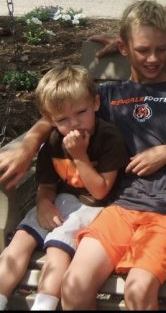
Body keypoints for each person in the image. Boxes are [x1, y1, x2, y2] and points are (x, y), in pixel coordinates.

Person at [1, 0, 166, 309]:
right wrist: (29, 144)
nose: (153, 58)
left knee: (137, 290)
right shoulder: (107, 95)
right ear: (124, 48)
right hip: (116, 206)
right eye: (143, 50)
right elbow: (58, 116)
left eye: (162, 50)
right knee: (73, 286)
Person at [0, 66, 127, 311]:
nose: (74, 124)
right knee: (19, 242)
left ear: (96, 103)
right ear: (50, 120)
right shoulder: (53, 141)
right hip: (58, 201)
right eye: (62, 119)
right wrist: (43, 203)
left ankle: (44, 305)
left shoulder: (109, 138)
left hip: (92, 208)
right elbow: (46, 184)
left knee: (57, 251)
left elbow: (101, 191)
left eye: (81, 112)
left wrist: (79, 155)